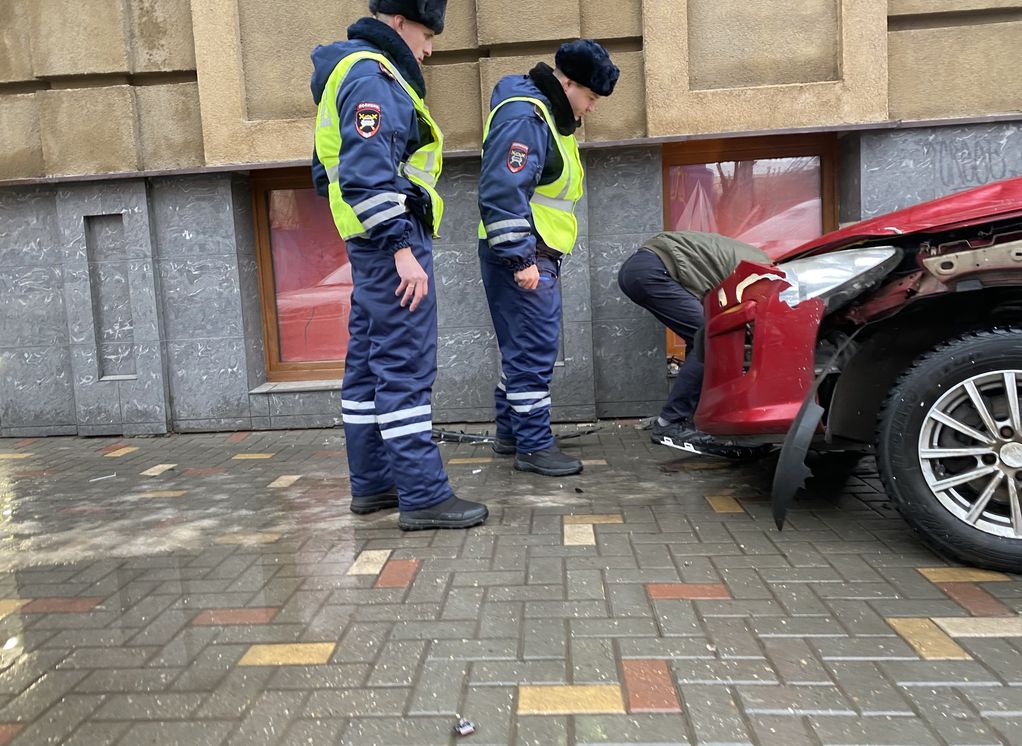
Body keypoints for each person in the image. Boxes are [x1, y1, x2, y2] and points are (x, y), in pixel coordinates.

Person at [310, 0, 487, 530]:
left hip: (369, 242)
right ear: (398, 22)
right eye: (427, 34)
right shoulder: (373, 76)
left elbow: (330, 174)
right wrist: (400, 248)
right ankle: (424, 495)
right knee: (404, 366)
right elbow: (367, 174)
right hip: (392, 241)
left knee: (367, 367)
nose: (430, 49)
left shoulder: (348, 70)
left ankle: (374, 484)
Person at [478, 40, 619, 477]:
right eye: (591, 98)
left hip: (531, 251)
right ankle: (534, 447)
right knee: (534, 350)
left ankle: (511, 434)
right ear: (568, 82)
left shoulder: (546, 118)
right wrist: (522, 261)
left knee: (522, 348)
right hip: (525, 254)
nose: (591, 108)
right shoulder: (528, 117)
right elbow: (503, 190)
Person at [617, 230, 771, 452]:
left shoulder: (751, 260)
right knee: (711, 339)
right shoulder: (765, 271)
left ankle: (688, 415)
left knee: (700, 341)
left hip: (641, 269)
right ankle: (670, 422)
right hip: (653, 270)